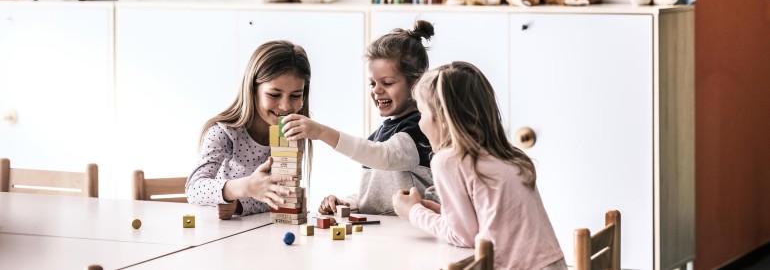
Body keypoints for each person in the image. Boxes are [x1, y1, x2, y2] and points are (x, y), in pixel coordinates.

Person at [392, 61, 567, 270]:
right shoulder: (506, 154)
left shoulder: (448, 160)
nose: (420, 124)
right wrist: (441, 213)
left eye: (422, 113)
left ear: (443, 119)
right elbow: (485, 222)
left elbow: (462, 235)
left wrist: (413, 212)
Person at [281, 20, 437, 215]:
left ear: (416, 83)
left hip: (414, 230)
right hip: (384, 232)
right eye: (372, 84)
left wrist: (321, 132)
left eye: (387, 83)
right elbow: (374, 195)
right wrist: (347, 203)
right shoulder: (378, 136)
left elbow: (384, 156)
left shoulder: (418, 128)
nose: (377, 91)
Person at [186, 40, 312, 217]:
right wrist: (246, 187)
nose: (285, 106)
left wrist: (239, 206)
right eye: (274, 95)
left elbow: (278, 199)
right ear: (252, 90)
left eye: (296, 95)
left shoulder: (292, 131)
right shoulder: (224, 132)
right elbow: (194, 190)